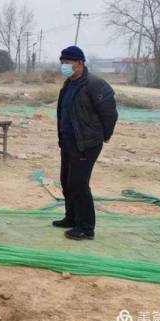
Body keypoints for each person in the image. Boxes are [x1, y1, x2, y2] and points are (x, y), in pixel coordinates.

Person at [52, 46, 118, 240]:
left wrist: (103, 136)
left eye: (68, 63)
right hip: (68, 142)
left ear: (80, 63)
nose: (64, 66)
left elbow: (110, 114)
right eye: (62, 63)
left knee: (79, 183)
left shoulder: (95, 85)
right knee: (66, 181)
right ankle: (71, 217)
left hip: (86, 144)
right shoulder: (68, 84)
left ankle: (86, 227)